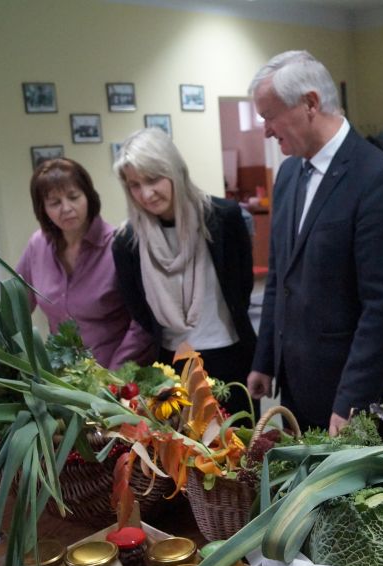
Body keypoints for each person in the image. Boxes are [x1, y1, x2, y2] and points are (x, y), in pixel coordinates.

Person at [246, 50, 383, 434]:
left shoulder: (378, 178)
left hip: (356, 394)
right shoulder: (289, 174)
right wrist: (265, 359)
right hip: (298, 387)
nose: (266, 131)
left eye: (269, 116)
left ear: (310, 104)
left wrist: (352, 401)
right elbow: (280, 278)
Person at [111, 128, 258, 418]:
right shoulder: (127, 241)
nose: (146, 194)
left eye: (153, 179)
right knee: (182, 455)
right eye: (134, 185)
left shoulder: (224, 218)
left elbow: (242, 287)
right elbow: (139, 309)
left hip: (229, 356)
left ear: (175, 171)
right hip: (171, 363)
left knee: (239, 450)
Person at [16, 158, 152, 370]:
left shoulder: (119, 245)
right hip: (62, 378)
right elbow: (16, 307)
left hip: (116, 377)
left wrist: (115, 376)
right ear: (43, 210)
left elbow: (142, 324)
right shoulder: (37, 245)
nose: (66, 208)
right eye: (54, 203)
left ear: (88, 197)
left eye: (73, 197)